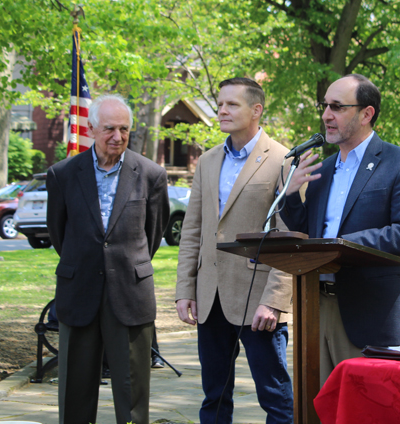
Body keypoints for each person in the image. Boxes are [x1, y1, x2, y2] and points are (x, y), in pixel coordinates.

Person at [280, 74, 400, 384]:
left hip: (370, 312)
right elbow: (307, 230)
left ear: (366, 114)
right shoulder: (323, 168)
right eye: (324, 106)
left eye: (337, 107)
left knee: (368, 410)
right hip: (315, 306)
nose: (325, 115)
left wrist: (341, 244)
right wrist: (291, 193)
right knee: (319, 408)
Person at [176, 77, 294, 423]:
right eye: (220, 104)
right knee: (213, 396)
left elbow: (288, 238)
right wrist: (186, 288)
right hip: (209, 297)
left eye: (232, 104)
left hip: (259, 302)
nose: (222, 110)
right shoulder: (209, 161)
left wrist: (275, 300)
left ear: (256, 110)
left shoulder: (284, 160)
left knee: (276, 399)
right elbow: (193, 230)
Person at [46, 93, 169, 424]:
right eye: (110, 129)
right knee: (74, 393)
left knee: (132, 398)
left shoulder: (151, 174)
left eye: (124, 129)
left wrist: (122, 262)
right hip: (79, 291)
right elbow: (59, 233)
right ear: (91, 129)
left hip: (130, 294)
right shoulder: (62, 174)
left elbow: (152, 233)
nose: (118, 137)